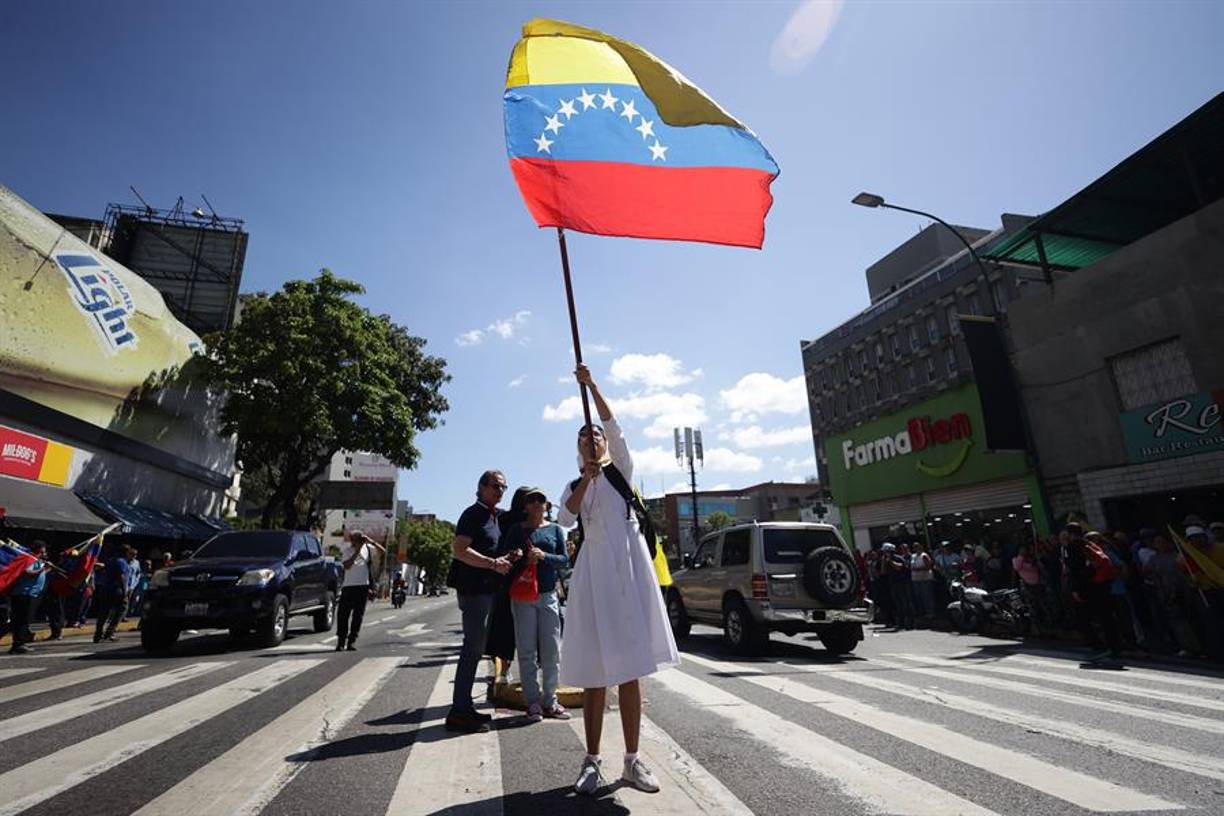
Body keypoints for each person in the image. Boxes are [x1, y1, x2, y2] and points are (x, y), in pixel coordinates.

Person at [559, 365, 678, 796]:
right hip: (594, 576)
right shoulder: (577, 483)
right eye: (584, 437)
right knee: (594, 673)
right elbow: (566, 517)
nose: (593, 438)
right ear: (577, 449)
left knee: (630, 671)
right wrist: (585, 480)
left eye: (597, 437)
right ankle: (591, 760)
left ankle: (632, 760)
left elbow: (613, 423)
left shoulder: (620, 470)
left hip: (627, 571)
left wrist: (592, 386)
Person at [446, 471, 516, 734]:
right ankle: (459, 712)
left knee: (476, 648)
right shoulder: (473, 513)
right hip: (473, 590)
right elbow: (460, 549)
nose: (500, 491)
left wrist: (507, 557)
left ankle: (463, 708)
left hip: (486, 590)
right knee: (472, 648)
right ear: (481, 487)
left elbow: (488, 552)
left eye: (503, 487)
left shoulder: (492, 516)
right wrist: (492, 563)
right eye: (495, 486)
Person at [506, 487, 571, 722]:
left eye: (540, 499)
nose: (535, 503)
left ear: (547, 505)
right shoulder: (516, 530)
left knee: (552, 649)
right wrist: (521, 556)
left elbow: (565, 560)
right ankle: (532, 702)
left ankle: (550, 700)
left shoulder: (555, 530)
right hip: (523, 596)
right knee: (526, 651)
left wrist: (544, 556)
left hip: (548, 596)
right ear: (524, 506)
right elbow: (506, 558)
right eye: (530, 500)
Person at [1065, 524, 1122, 663]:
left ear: (1069, 534)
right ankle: (1115, 646)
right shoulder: (1090, 544)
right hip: (1103, 584)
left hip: (1087, 587)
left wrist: (1075, 589)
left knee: (1084, 618)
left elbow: (1074, 570)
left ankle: (1099, 646)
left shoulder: (1072, 547)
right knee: (1107, 617)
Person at [7, 541, 53, 654]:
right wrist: (42, 569)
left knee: (23, 620)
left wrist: (46, 569)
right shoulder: (30, 559)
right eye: (44, 550)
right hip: (24, 594)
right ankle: (18, 644)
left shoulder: (37, 560)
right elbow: (27, 573)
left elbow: (36, 575)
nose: (45, 552)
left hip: (30, 594)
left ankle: (19, 643)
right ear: (40, 549)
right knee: (22, 620)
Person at [336, 530, 376, 652]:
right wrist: (357, 551)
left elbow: (383, 551)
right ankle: (341, 641)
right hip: (349, 586)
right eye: (353, 539)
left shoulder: (368, 549)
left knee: (358, 616)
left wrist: (370, 540)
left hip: (363, 586)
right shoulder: (347, 550)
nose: (354, 541)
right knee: (343, 615)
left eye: (357, 539)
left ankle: (352, 641)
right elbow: (347, 566)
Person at [94, 544, 130, 643]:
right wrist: (124, 591)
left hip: (106, 588)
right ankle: (110, 633)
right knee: (121, 610)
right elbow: (121, 576)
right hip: (116, 590)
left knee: (103, 612)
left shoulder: (110, 560)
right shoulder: (121, 562)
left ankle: (98, 634)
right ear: (126, 553)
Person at [909, 542, 936, 623]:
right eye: (914, 547)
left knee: (927, 596)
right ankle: (922, 613)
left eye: (917, 547)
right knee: (919, 596)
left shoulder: (924, 555)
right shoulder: (913, 556)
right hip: (916, 579)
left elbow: (929, 566)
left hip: (925, 579)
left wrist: (918, 569)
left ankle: (931, 613)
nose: (916, 548)